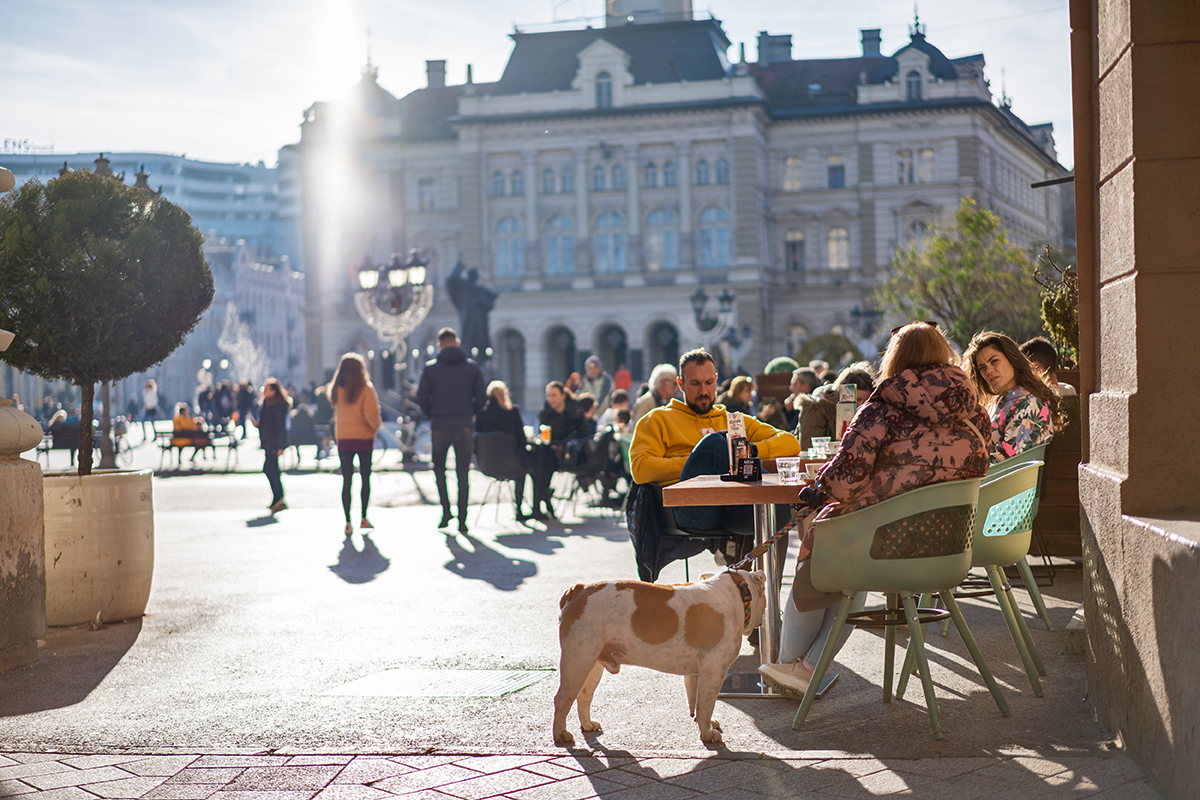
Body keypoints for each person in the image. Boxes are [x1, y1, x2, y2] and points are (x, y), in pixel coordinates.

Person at [757, 322, 992, 698]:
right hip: (947, 551)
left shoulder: (880, 410)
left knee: (825, 557)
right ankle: (804, 669)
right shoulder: (976, 414)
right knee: (850, 572)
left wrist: (816, 490)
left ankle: (792, 666)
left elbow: (845, 480)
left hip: (882, 545)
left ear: (895, 360)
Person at [630, 348, 800, 534]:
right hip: (686, 510)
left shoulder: (731, 418)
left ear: (716, 380)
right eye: (695, 384)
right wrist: (698, 461)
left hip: (728, 507)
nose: (704, 391)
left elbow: (791, 442)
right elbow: (640, 469)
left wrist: (751, 450)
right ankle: (781, 498)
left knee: (773, 512)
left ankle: (778, 506)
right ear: (680, 384)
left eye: (709, 382)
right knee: (715, 442)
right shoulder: (657, 419)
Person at [417, 327, 487, 533]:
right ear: (457, 343)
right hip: (464, 424)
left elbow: (422, 397)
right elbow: (481, 395)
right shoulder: (472, 368)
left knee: (439, 469)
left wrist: (432, 413)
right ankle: (463, 519)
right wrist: (471, 412)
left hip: (440, 424)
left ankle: (446, 511)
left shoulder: (430, 369)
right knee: (463, 472)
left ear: (439, 346)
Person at [963, 331, 1062, 463]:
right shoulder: (999, 403)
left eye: (994, 361)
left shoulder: (1031, 405)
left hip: (1012, 482)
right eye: (982, 367)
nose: (989, 371)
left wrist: (960, 463)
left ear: (1012, 358)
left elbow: (1006, 461)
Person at [328, 353, 383, 536]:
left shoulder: (337, 388)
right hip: (364, 438)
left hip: (344, 438)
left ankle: (347, 521)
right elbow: (372, 416)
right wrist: (375, 428)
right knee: (365, 478)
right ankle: (364, 517)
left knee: (347, 480)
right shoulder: (366, 389)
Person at [531, 381, 589, 520]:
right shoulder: (546, 412)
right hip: (551, 452)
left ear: (563, 396)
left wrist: (566, 445)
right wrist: (551, 444)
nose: (551, 399)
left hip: (572, 454)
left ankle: (544, 497)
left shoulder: (575, 410)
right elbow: (542, 433)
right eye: (548, 395)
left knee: (541, 465)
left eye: (554, 395)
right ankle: (542, 502)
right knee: (537, 463)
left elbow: (584, 435)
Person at [475, 380, 531, 521]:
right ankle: (522, 507)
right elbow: (522, 439)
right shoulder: (512, 412)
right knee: (529, 466)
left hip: (488, 466)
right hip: (512, 464)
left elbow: (476, 442)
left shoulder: (482, 414)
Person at [792, 362, 876, 450]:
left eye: (866, 400)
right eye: (857, 400)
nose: (862, 405)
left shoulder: (873, 411)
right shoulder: (816, 408)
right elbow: (809, 449)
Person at [253, 378, 291, 513]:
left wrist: (281, 445)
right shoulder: (266, 404)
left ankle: (279, 498)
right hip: (268, 440)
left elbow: (280, 426)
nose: (264, 391)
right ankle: (278, 498)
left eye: (267, 389)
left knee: (269, 469)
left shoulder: (279, 405)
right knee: (273, 470)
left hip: (274, 441)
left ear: (274, 391)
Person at [630, 363, 679, 428]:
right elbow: (639, 429)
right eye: (674, 383)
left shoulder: (665, 401)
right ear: (663, 383)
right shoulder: (645, 403)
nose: (676, 387)